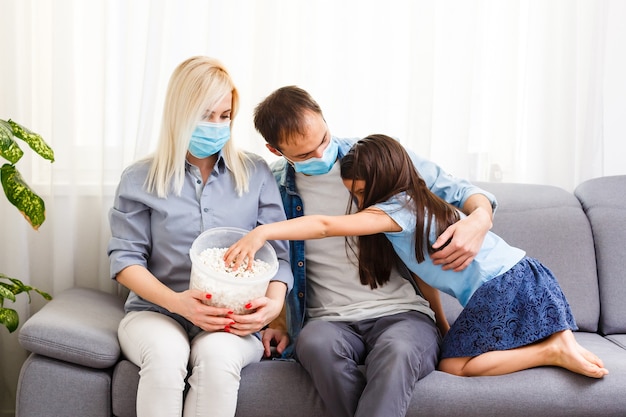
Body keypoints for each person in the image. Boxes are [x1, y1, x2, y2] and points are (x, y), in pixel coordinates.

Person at [225, 134, 609, 380]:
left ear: (381, 183)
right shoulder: (417, 208)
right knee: (453, 352)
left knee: (453, 367)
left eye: (359, 193)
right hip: (524, 275)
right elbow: (426, 278)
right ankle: (559, 344)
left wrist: (264, 230)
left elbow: (326, 225)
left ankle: (551, 350)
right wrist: (443, 326)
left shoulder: (398, 211)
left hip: (502, 287)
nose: (358, 202)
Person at [249, 86, 498, 417]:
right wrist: (279, 319)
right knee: (315, 345)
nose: (321, 155)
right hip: (328, 321)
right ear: (275, 149)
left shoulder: (374, 158)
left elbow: (461, 190)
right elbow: (274, 258)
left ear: (324, 117)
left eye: (323, 140)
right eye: (305, 155)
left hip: (402, 314)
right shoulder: (274, 185)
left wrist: (480, 219)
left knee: (399, 351)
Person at [107, 56, 293, 417]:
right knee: (165, 356)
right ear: (180, 114)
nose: (217, 125)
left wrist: (273, 306)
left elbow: (279, 256)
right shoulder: (139, 178)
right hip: (157, 312)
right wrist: (179, 304)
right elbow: (125, 261)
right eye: (206, 115)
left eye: (225, 116)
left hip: (233, 321)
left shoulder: (255, 173)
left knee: (218, 360)